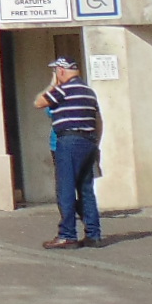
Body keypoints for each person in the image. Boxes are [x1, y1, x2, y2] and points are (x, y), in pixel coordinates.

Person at [36, 53, 104, 249]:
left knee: (65, 188)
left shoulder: (63, 90)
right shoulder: (89, 92)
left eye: (56, 71)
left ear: (61, 70)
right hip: (89, 141)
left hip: (69, 141)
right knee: (86, 189)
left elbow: (39, 102)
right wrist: (95, 143)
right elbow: (98, 120)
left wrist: (53, 83)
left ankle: (67, 235)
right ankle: (93, 234)